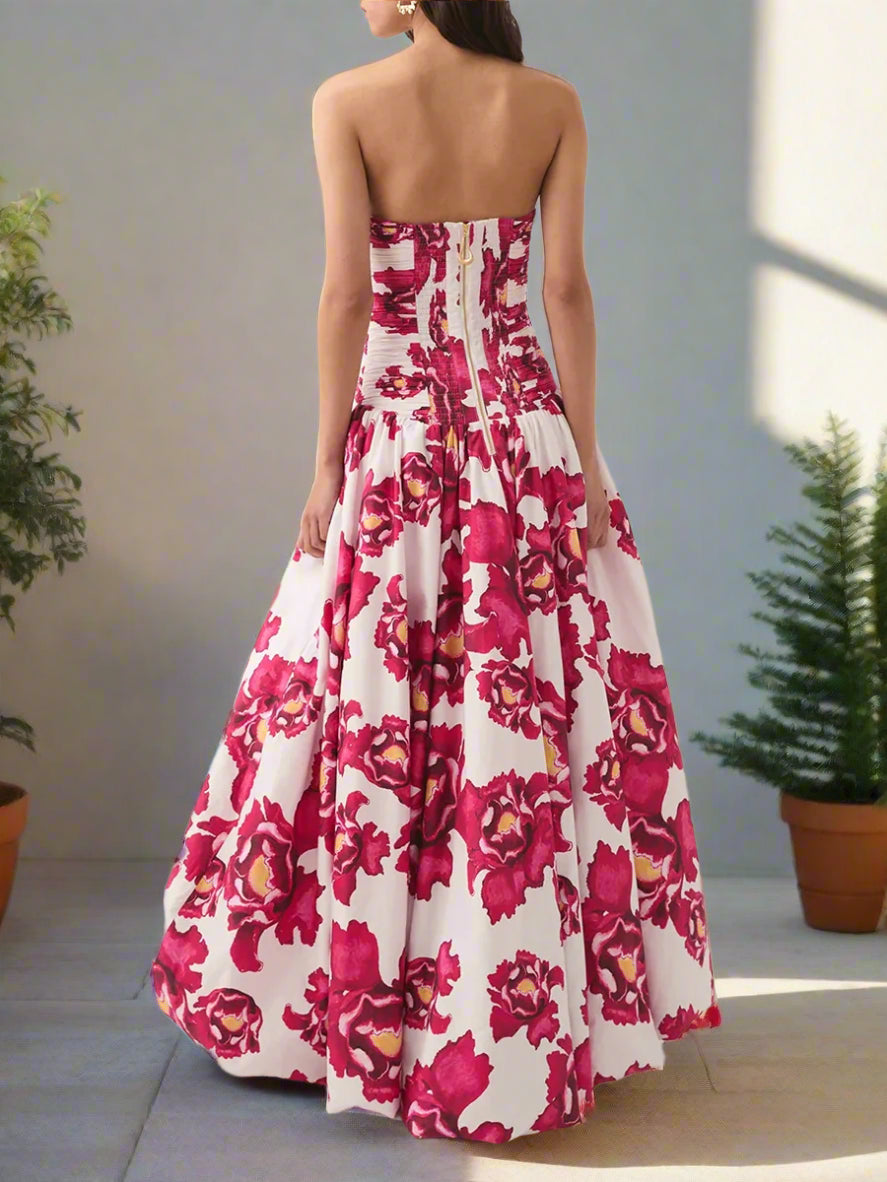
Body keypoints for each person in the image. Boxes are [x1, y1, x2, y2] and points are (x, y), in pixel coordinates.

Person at [151, 0, 722, 1144]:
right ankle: (509, 1015)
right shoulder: (548, 102)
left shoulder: (346, 101)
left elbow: (348, 294)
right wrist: (580, 453)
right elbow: (562, 291)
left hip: (401, 440)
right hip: (524, 438)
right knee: (531, 714)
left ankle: (343, 1015)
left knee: (355, 700)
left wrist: (324, 464)